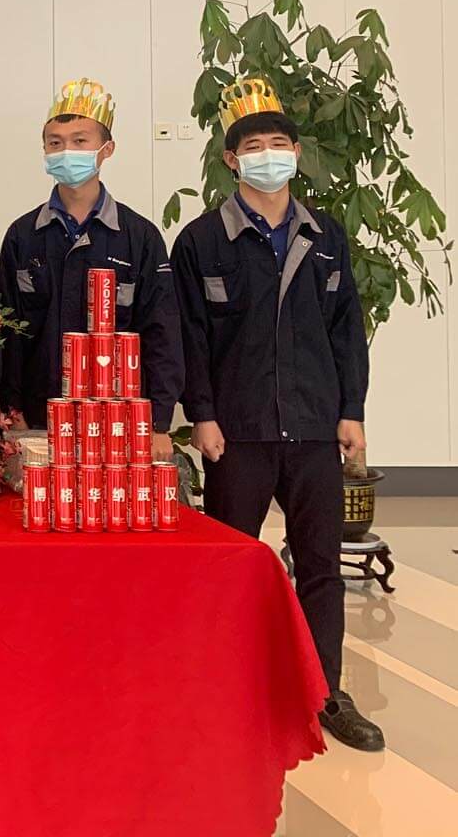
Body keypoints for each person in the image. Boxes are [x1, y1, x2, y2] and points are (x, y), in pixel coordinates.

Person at [172, 78, 382, 752]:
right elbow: (189, 337)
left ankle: (326, 691)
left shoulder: (324, 235)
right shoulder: (202, 240)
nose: (266, 155)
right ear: (230, 161)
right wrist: (200, 414)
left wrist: (350, 410)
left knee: (319, 562)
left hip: (315, 426)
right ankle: (221, 683)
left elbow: (347, 328)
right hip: (237, 432)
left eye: (277, 144)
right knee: (230, 561)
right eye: (251, 147)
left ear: (295, 151)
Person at [0, 79, 181, 457]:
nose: (66, 151)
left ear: (106, 149)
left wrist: (159, 420)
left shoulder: (138, 236)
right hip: (39, 414)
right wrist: (11, 406)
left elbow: (162, 330)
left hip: (119, 416)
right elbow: (7, 332)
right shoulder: (23, 235)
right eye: (55, 143)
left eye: (80, 141)